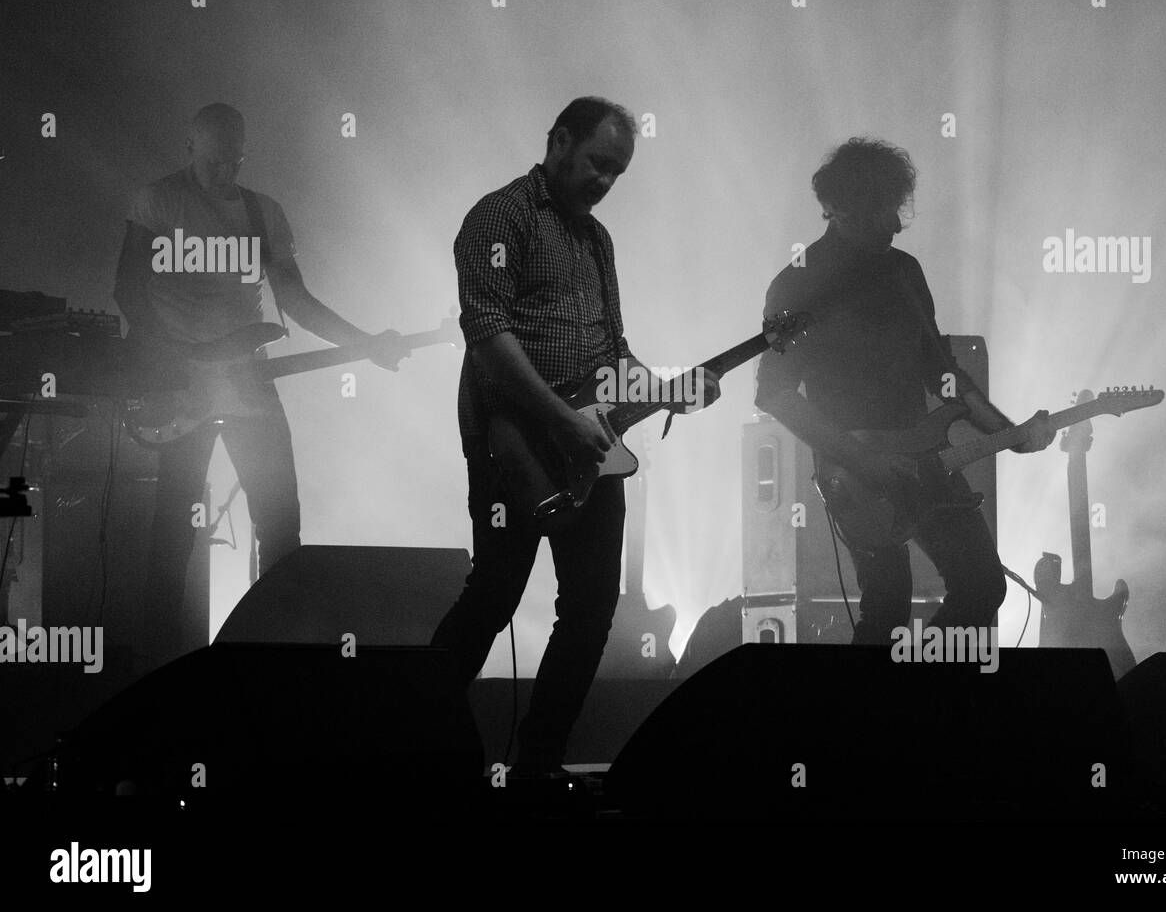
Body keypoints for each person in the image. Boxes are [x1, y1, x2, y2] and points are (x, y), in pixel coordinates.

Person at [434, 96, 718, 778]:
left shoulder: (596, 240)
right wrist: (560, 418)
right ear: (559, 139)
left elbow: (612, 356)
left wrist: (674, 387)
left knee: (590, 612)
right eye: (598, 163)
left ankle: (539, 762)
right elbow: (488, 336)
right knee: (495, 595)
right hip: (513, 444)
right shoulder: (499, 217)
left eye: (617, 173)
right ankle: (423, 738)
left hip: (590, 451)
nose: (605, 183)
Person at [113, 102, 408, 663]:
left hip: (247, 379)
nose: (225, 173)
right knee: (173, 530)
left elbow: (294, 300)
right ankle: (159, 668)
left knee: (279, 522)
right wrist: (173, 365)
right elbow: (127, 291)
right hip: (180, 385)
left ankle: (277, 657)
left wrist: (365, 343)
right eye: (213, 162)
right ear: (190, 148)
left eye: (235, 161)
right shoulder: (157, 201)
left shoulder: (263, 212)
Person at [755, 137, 1053, 644]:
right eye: (882, 211)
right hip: (856, 472)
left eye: (898, 208)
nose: (896, 224)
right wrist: (859, 459)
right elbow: (774, 394)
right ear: (841, 209)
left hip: (926, 461)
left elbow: (942, 374)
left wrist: (1011, 433)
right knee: (888, 607)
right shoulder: (799, 283)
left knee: (982, 585)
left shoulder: (903, 272)